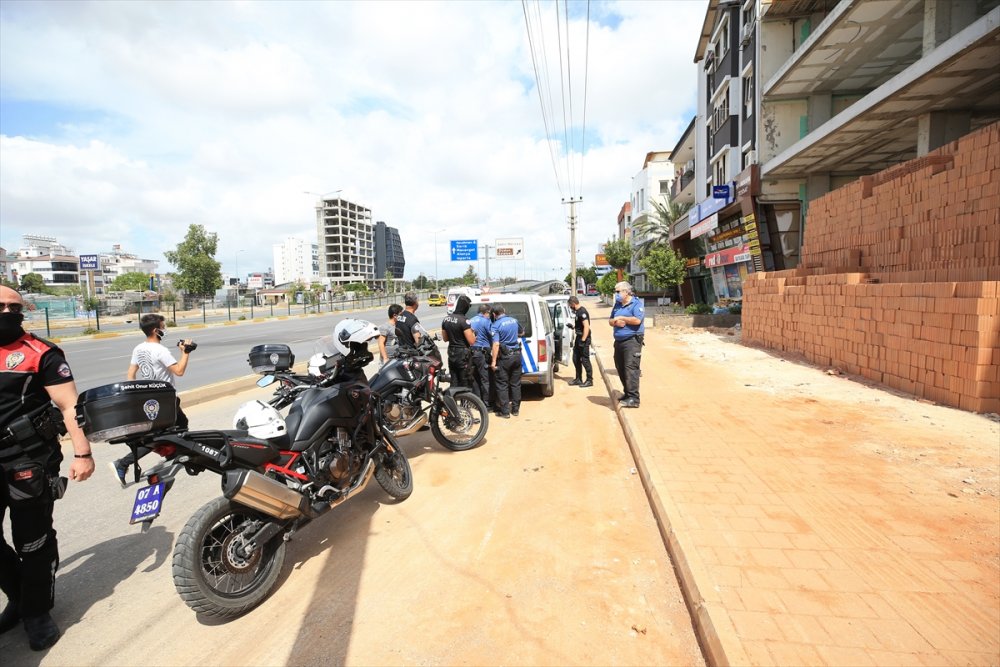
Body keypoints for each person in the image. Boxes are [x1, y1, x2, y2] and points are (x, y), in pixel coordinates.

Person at [0, 285, 95, 651]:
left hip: (29, 460)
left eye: (15, 308)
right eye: (1, 306)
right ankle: (20, 597)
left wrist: (82, 453)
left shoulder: (41, 353)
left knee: (32, 541)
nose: (8, 313)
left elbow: (70, 405)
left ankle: (37, 612)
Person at [109, 313, 195, 486]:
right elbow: (179, 371)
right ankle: (124, 463)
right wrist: (185, 352)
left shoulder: (139, 349)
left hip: (148, 398)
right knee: (165, 433)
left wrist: (135, 396)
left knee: (175, 426)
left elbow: (131, 374)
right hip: (165, 398)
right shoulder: (161, 351)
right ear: (156, 330)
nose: (165, 329)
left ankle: (173, 454)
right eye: (163, 327)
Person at [608, 281, 645, 408]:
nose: (616, 294)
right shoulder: (617, 304)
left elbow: (637, 320)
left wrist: (622, 318)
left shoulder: (636, 303)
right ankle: (627, 394)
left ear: (626, 291)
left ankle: (634, 399)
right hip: (619, 341)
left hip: (632, 341)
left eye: (618, 291)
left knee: (631, 368)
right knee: (620, 367)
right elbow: (610, 320)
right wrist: (615, 322)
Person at [489, 303, 523, 418]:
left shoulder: (495, 325)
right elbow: (521, 332)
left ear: (494, 314)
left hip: (505, 358)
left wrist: (493, 361)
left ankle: (505, 412)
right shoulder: (514, 320)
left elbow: (496, 344)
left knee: (502, 384)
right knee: (516, 384)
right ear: (503, 310)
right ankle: (515, 410)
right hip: (517, 355)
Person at [441, 295, 477, 393]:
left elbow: (445, 338)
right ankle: (465, 401)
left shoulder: (446, 319)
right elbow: (472, 341)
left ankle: (452, 401)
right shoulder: (464, 321)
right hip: (462, 354)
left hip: (451, 353)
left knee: (454, 380)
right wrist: (473, 333)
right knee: (465, 381)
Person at [567, 295, 593, 388]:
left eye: (570, 305)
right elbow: (580, 326)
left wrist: (583, 340)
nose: (570, 307)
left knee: (585, 360)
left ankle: (589, 380)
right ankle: (578, 379)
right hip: (579, 338)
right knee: (575, 358)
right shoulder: (578, 312)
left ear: (573, 303)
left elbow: (586, 326)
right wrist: (573, 327)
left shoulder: (582, 312)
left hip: (583, 339)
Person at [468, 303, 493, 402]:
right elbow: (492, 334)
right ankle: (486, 403)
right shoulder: (486, 321)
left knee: (474, 378)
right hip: (482, 352)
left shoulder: (471, 320)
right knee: (485, 378)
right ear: (486, 312)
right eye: (489, 313)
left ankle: (477, 401)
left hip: (471, 352)